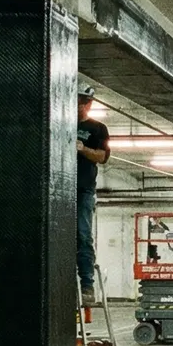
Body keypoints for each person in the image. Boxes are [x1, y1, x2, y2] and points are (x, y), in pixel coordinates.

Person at [75, 86, 109, 305]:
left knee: (83, 235)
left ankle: (87, 285)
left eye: (82, 102)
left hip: (83, 189)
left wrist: (82, 149)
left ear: (89, 104)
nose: (78, 105)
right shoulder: (58, 122)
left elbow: (102, 156)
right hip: (58, 189)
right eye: (76, 101)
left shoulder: (97, 129)